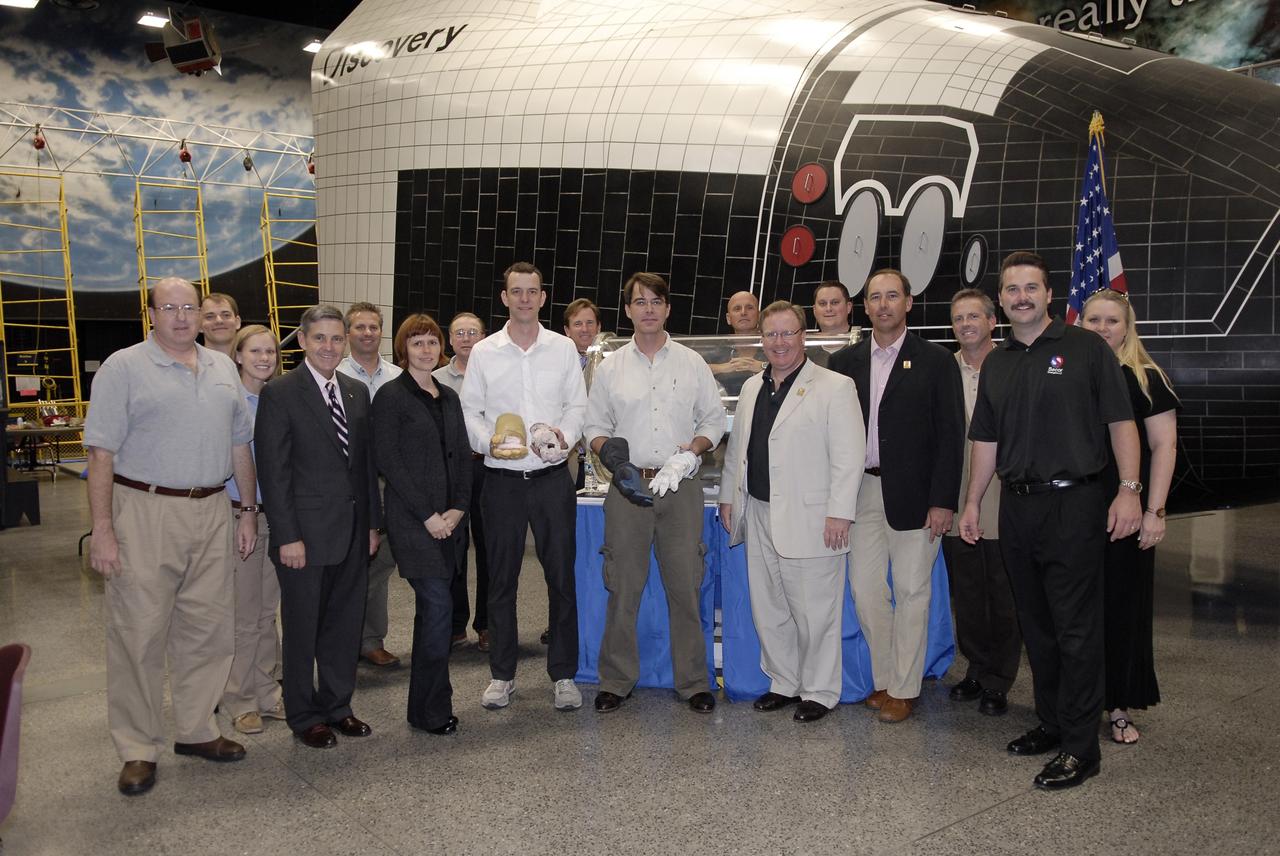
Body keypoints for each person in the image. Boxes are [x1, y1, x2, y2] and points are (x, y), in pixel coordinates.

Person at [960, 251, 1142, 791]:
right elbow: (986, 443)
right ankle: (1053, 722)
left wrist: (1129, 492)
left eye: (1031, 288)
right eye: (1012, 289)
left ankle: (1082, 749)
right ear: (1001, 301)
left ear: (1049, 295)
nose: (1021, 297)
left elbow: (1121, 423)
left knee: (1076, 629)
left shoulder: (1086, 349)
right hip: (1018, 508)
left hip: (1076, 505)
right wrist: (973, 501)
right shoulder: (998, 362)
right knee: (1036, 625)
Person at [85, 276, 258, 796]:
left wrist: (247, 511)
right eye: (170, 307)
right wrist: (102, 529)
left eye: (190, 307)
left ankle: (197, 729)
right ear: (152, 313)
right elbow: (100, 454)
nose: (182, 317)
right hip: (144, 509)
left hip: (212, 509)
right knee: (138, 631)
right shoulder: (123, 368)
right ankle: (138, 747)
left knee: (208, 628)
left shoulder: (223, 366)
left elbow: (239, 447)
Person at [829, 269, 965, 724]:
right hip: (861, 489)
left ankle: (905, 689)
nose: (883, 304)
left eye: (892, 296)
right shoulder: (844, 363)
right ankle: (886, 680)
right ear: (864, 307)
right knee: (866, 591)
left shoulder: (936, 360)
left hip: (918, 494)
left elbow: (951, 436)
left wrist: (943, 500)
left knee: (911, 591)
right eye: (875, 297)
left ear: (909, 302)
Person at [585, 272, 725, 714]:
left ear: (667, 308)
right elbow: (594, 428)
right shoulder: (610, 368)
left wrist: (693, 452)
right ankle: (616, 679)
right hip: (627, 488)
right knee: (623, 585)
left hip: (680, 486)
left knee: (685, 585)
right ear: (627, 310)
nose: (647, 308)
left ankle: (695, 682)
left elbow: (714, 421)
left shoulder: (691, 363)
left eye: (656, 301)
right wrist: (615, 462)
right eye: (639, 301)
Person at [719, 301, 863, 723]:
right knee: (770, 607)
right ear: (761, 340)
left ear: (804, 336)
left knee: (815, 611)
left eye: (788, 333)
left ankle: (819, 690)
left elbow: (849, 457)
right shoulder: (750, 388)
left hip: (814, 518)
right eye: (771, 334)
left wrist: (840, 513)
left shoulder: (835, 386)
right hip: (759, 511)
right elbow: (737, 454)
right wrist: (730, 496)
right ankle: (784, 682)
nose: (779, 342)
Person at [460, 262, 587, 712]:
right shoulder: (485, 352)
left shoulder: (563, 348)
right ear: (505, 297)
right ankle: (502, 674)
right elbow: (470, 412)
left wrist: (564, 438)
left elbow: (577, 405)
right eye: (517, 291)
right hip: (502, 481)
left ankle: (564, 674)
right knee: (500, 580)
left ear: (543, 296)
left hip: (553, 479)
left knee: (561, 578)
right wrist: (487, 441)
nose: (525, 299)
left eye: (532, 291)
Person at [255, 304, 383, 750]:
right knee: (303, 626)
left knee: (344, 624)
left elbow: (363, 467)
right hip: (303, 537)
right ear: (304, 341)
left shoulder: (355, 391)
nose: (329, 347)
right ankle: (304, 713)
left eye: (336, 339)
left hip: (351, 531)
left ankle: (338, 705)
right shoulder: (281, 393)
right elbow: (274, 472)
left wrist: (371, 525)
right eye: (320, 339)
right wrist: (287, 535)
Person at [1082, 288, 1179, 746]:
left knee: (1121, 611)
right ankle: (1077, 702)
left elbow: (1164, 446)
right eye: (1093, 320)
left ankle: (1118, 706)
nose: (1102, 328)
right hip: (1075, 513)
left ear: (1127, 327)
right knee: (1077, 613)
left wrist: (1154, 510)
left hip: (1126, 511)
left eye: (1111, 321)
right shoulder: (1071, 374)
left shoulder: (1144, 378)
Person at [373, 313, 473, 736]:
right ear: (403, 349)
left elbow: (463, 454)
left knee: (433, 614)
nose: (426, 350)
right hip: (415, 524)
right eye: (417, 343)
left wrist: (459, 507)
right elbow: (390, 464)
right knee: (437, 608)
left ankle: (422, 707)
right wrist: (429, 516)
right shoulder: (391, 397)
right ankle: (434, 710)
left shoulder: (449, 396)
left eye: (431, 342)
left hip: (450, 521)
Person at [941, 289, 1021, 717]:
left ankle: (1000, 678)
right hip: (958, 498)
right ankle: (975, 666)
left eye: (975, 316)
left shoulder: (1014, 364)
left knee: (1003, 590)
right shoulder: (943, 369)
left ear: (994, 321)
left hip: (1005, 495)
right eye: (958, 318)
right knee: (968, 589)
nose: (966, 324)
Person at [220, 325, 286, 736]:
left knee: (266, 613)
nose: (265, 358)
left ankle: (267, 691)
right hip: (238, 515)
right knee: (243, 613)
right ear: (239, 355)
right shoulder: (230, 401)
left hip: (275, 516)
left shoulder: (278, 400)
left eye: (271, 352)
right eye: (256, 351)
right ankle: (239, 698)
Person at [337, 301, 404, 668]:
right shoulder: (335, 375)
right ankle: (342, 639)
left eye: (373, 327)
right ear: (348, 333)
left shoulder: (397, 377)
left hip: (388, 483)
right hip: (348, 485)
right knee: (348, 564)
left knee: (380, 564)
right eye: (359, 327)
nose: (367, 333)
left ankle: (370, 639)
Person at [434, 312, 491, 652]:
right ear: (450, 340)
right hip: (450, 473)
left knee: (489, 549)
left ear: (484, 336)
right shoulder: (436, 379)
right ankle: (455, 624)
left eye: (474, 331)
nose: (467, 337)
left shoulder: (497, 374)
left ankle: (486, 624)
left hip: (487, 469)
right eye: (460, 333)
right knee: (452, 549)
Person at [709, 291, 765, 396]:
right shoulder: (718, 348)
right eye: (737, 309)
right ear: (728, 318)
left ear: (759, 315)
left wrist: (763, 366)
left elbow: (791, 368)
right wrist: (722, 368)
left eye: (749, 307)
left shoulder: (772, 345)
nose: (743, 312)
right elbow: (693, 369)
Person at [809, 281, 856, 367]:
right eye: (822, 303)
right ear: (814, 310)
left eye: (835, 302)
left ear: (848, 307)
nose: (828, 308)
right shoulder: (803, 353)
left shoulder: (865, 345)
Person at [199, 292, 242, 359]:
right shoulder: (189, 366)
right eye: (210, 317)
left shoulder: (255, 364)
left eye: (226, 315)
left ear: (237, 322)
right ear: (199, 326)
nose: (219, 321)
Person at [564, 298, 601, 367]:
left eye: (590, 323)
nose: (585, 329)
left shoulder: (610, 362)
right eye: (578, 324)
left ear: (598, 327)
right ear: (567, 331)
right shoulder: (557, 359)